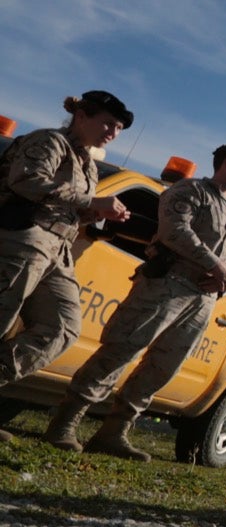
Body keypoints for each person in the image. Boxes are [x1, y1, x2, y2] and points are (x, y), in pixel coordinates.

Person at [41, 144, 226, 460]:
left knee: (163, 367)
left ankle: (114, 433)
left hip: (202, 299)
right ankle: (65, 422)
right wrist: (216, 264)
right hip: (166, 283)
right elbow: (174, 231)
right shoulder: (191, 191)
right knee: (121, 349)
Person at [0, 91, 132, 445]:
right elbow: (25, 180)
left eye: (118, 127)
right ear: (82, 116)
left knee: (63, 328)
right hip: (22, 236)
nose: (113, 132)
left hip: (58, 248)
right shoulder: (49, 141)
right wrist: (92, 200)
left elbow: (72, 204)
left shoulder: (87, 164)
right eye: (107, 122)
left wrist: (96, 212)